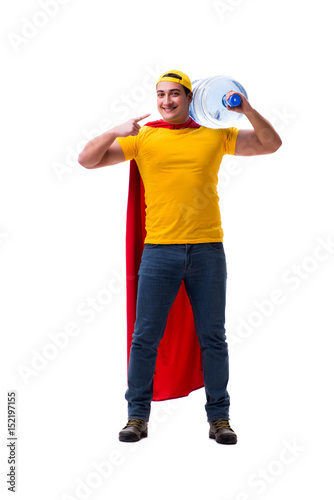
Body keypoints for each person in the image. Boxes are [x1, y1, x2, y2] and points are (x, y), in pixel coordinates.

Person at [78, 70, 282, 445]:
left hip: (207, 251)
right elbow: (87, 160)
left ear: (190, 98)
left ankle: (219, 418)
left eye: (174, 94)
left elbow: (270, 144)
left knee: (213, 338)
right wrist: (114, 131)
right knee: (144, 339)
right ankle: (136, 416)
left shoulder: (215, 133)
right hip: (159, 253)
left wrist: (247, 109)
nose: (166, 101)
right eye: (160, 95)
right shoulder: (145, 137)